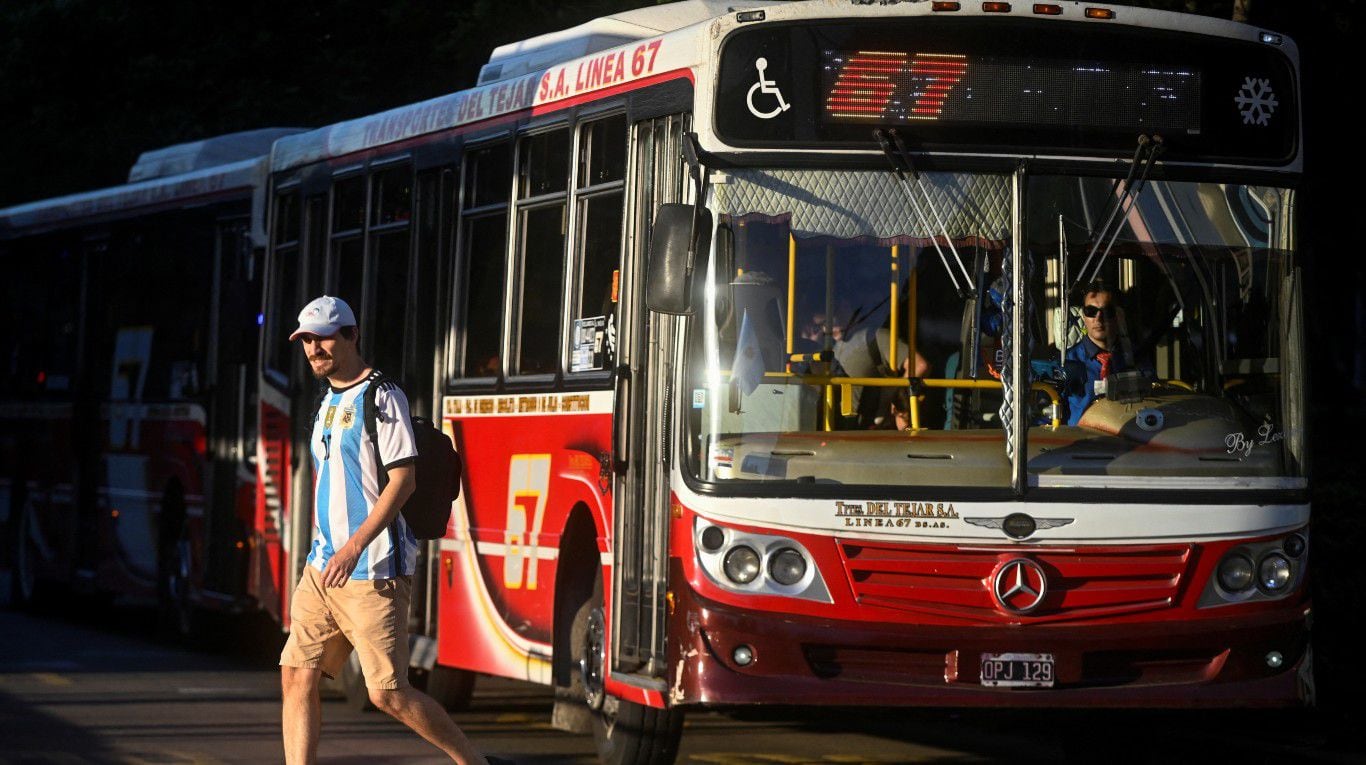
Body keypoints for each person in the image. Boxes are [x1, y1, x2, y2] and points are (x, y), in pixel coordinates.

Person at [278, 295, 491, 765]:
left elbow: (404, 479)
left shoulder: (382, 395)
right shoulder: (327, 400)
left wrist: (355, 546)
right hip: (322, 568)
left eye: (325, 337)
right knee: (296, 674)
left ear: (352, 335)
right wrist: (329, 549)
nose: (315, 349)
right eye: (307, 340)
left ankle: (472, 761)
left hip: (372, 571)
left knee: (388, 693)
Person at [1064, 280, 1131, 426]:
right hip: (1081, 443)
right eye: (1091, 311)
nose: (1098, 319)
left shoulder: (1135, 360)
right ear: (1083, 315)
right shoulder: (1066, 362)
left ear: (1118, 315)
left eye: (1107, 312)